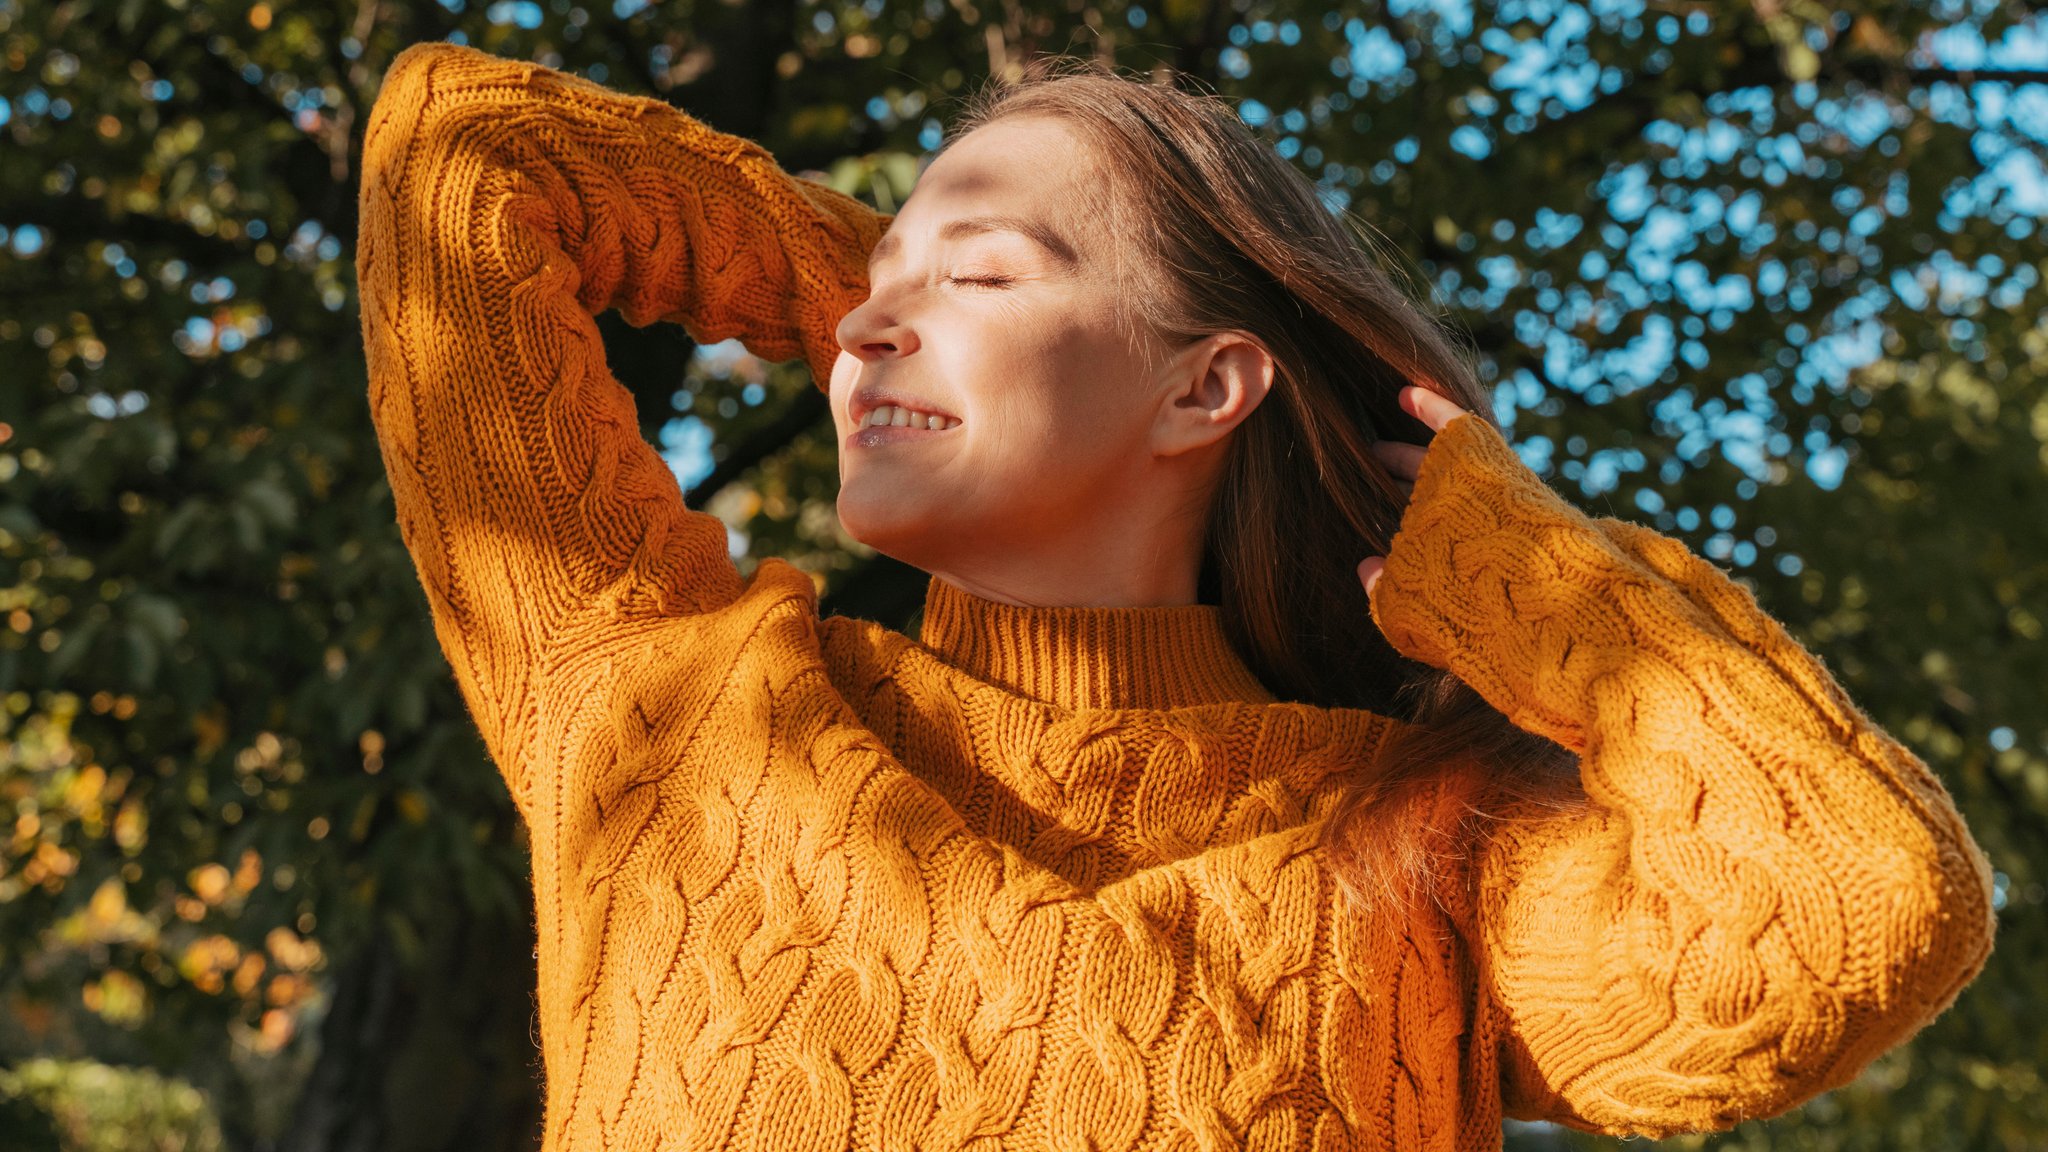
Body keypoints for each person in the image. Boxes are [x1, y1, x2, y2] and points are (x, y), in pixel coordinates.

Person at [354, 39, 1996, 1152]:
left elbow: (1850, 914)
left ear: (1210, 389)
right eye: (872, 285)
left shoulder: (1430, 859)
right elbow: (463, 149)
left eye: (980, 274)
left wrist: (1525, 568)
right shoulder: (654, 703)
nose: (865, 326)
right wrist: (892, 291)